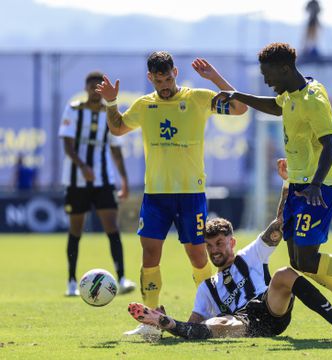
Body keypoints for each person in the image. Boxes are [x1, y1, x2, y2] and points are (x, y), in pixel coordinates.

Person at [211, 43, 332, 338]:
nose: (265, 80)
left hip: (318, 187)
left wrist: (314, 183)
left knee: (308, 260)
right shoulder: (289, 93)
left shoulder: (313, 99)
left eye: (268, 73)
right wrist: (239, 95)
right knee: (299, 262)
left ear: (285, 69)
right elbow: (276, 107)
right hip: (298, 186)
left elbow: (331, 145)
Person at [96, 52, 248, 337]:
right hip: (155, 195)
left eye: (168, 78)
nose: (164, 84)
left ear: (175, 73)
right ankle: (149, 322)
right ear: (150, 78)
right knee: (150, 254)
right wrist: (111, 101)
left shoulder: (198, 98)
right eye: (158, 79)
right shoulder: (144, 105)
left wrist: (214, 78)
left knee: (198, 257)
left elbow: (239, 108)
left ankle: (213, 313)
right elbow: (117, 129)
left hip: (191, 194)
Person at [128, 183, 332, 341]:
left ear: (232, 242)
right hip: (244, 323)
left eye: (219, 243)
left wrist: (287, 182)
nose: (214, 250)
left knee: (284, 273)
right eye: (209, 246)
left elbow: (279, 223)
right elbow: (195, 325)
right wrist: (171, 326)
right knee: (221, 322)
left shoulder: (252, 254)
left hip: (271, 306)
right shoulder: (207, 287)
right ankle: (164, 322)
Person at [58, 71, 135, 297]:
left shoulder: (109, 114)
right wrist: (82, 166)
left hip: (103, 180)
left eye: (98, 87)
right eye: (91, 86)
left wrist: (124, 180)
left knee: (112, 226)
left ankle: (121, 278)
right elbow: (68, 145)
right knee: (76, 230)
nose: (94, 90)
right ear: (85, 88)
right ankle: (71, 281)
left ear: (102, 90)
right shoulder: (73, 109)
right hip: (76, 180)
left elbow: (115, 148)